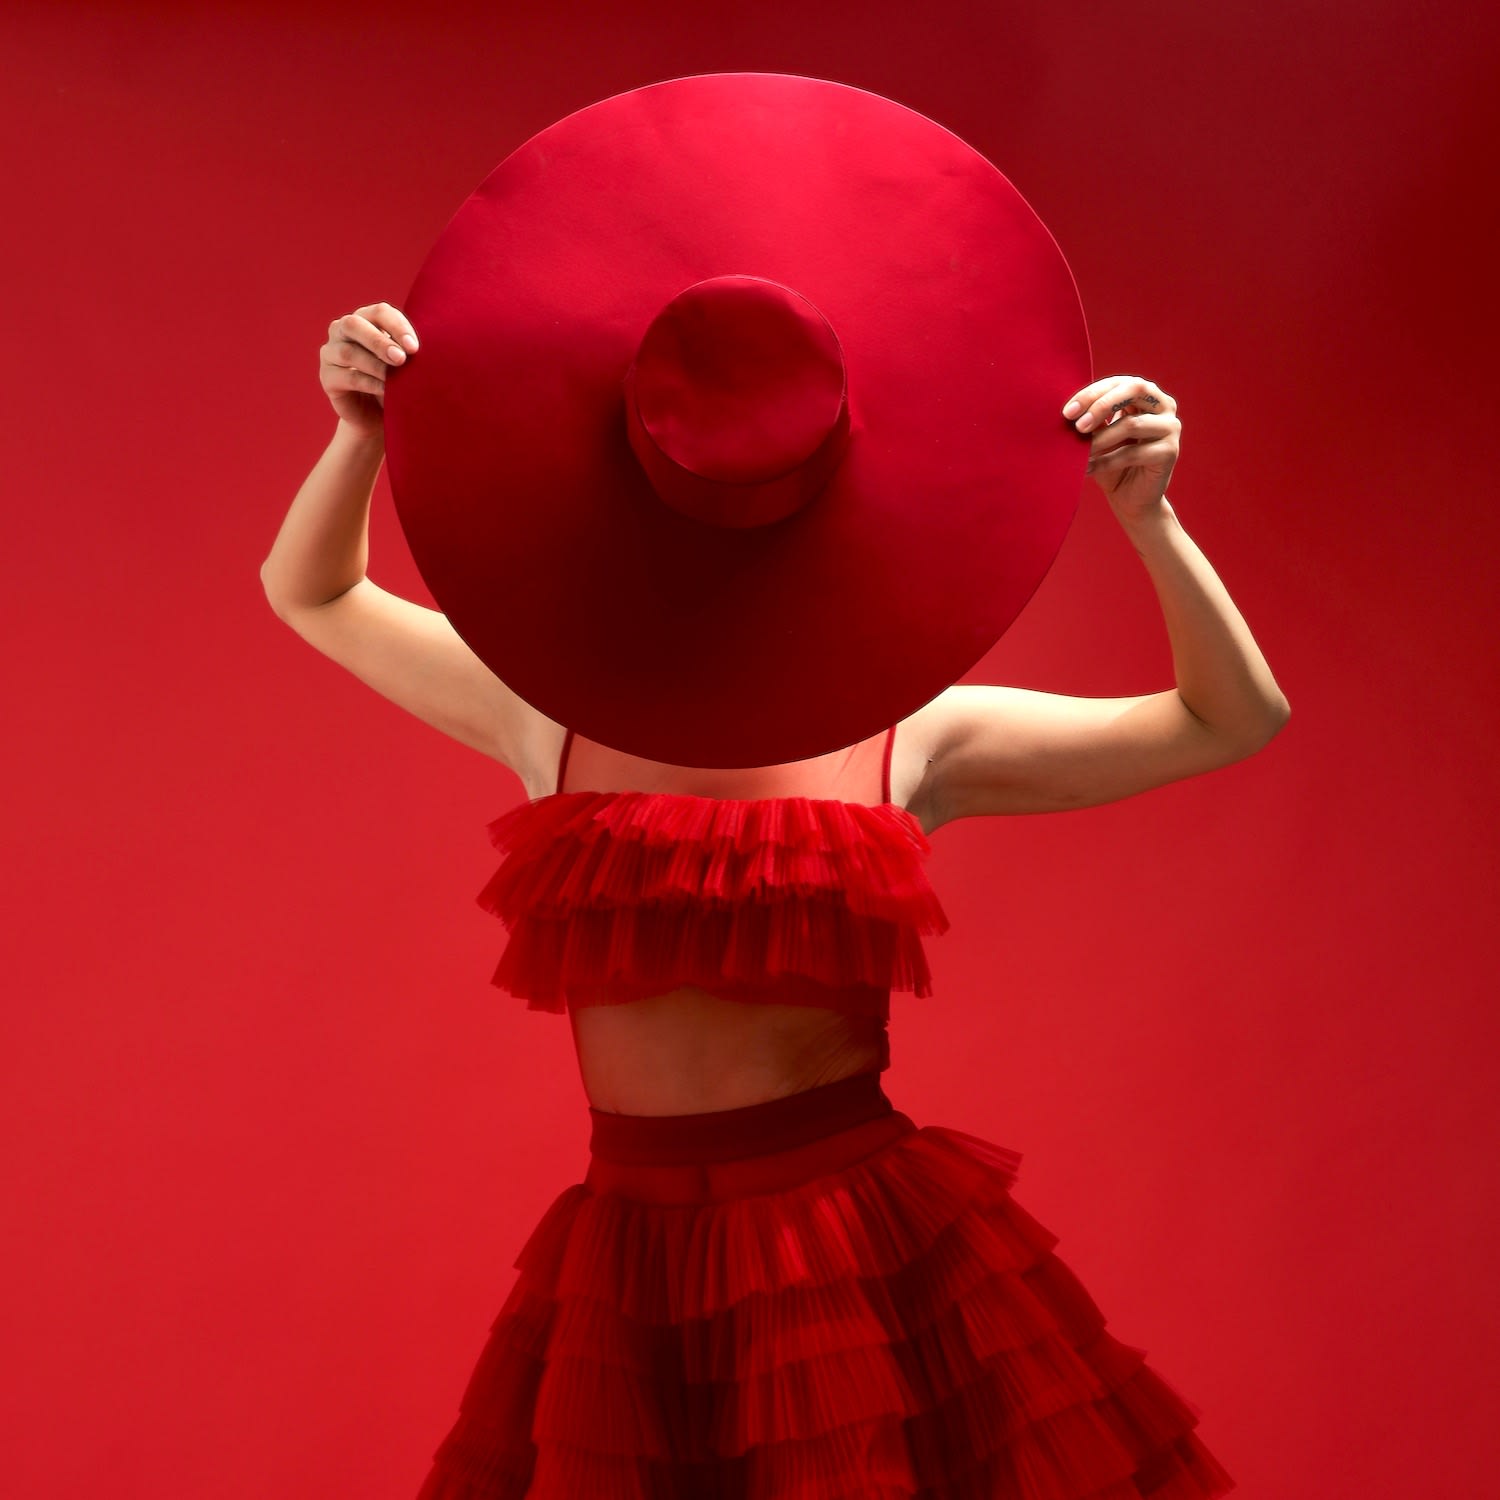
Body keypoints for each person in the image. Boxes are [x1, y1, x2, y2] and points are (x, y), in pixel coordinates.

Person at [261, 301, 1287, 1497]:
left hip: (846, 1250)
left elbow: (1232, 717)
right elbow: (313, 592)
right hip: (630, 1264)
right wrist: (364, 436)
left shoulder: (915, 732)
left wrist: (1149, 518)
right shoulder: (550, 706)